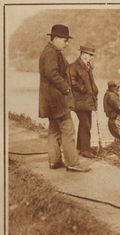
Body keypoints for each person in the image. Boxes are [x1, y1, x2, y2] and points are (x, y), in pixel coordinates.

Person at [38, 24, 90, 172]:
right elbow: (52, 73)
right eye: (64, 40)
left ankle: (54, 161)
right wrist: (66, 89)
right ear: (55, 39)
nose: (67, 44)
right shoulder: (51, 52)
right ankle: (73, 163)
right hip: (57, 99)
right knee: (68, 130)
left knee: (54, 130)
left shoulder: (52, 51)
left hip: (50, 100)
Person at [69, 44, 99, 158]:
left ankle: (80, 148)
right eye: (90, 55)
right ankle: (85, 150)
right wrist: (83, 89)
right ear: (82, 54)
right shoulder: (74, 66)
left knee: (85, 124)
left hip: (88, 101)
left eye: (93, 55)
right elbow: (71, 82)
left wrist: (95, 90)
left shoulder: (88, 66)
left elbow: (90, 81)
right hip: (79, 101)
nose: (92, 57)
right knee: (86, 125)